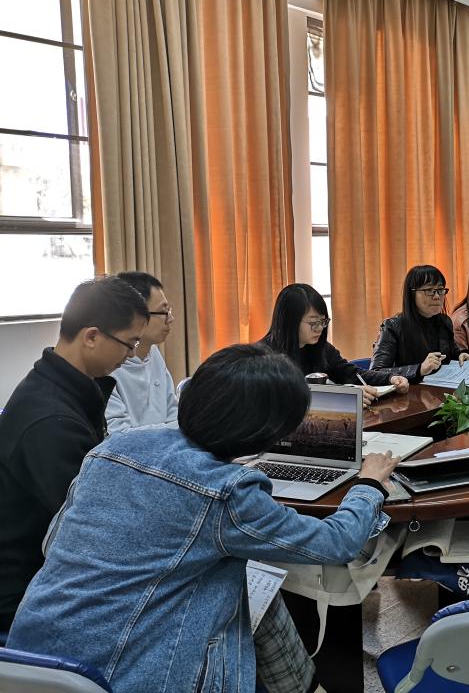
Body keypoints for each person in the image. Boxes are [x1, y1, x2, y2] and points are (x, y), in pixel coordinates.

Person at [6, 344, 401, 693]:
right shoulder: (228, 491)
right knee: (249, 589)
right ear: (269, 434)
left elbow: (53, 543)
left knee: (245, 584)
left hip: (30, 661)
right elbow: (337, 543)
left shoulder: (112, 449)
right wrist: (369, 484)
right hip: (126, 675)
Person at [0, 277, 149, 630]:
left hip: (55, 569)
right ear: (92, 336)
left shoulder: (65, 390)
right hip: (28, 591)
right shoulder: (51, 421)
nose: (131, 354)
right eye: (129, 343)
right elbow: (92, 527)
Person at [261, 283, 409, 406]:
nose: (320, 328)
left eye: (323, 321)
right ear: (289, 321)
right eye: (313, 323)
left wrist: (390, 379)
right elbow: (280, 400)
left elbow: (351, 373)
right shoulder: (263, 357)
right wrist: (343, 397)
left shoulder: (321, 347)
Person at [105, 271, 179, 432]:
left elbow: (173, 412)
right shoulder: (107, 366)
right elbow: (118, 435)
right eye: (163, 312)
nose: (170, 319)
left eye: (169, 311)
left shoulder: (153, 352)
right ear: (136, 315)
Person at [370, 265, 469, 381]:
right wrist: (419, 369)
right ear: (412, 294)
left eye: (440, 290)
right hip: (408, 389)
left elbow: (452, 354)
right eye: (429, 290)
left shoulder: (444, 322)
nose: (437, 296)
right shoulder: (392, 326)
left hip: (441, 387)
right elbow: (376, 372)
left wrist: (460, 356)